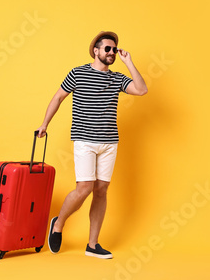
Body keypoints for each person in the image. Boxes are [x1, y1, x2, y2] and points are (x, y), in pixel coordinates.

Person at [36, 31, 148, 259]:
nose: (111, 53)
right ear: (95, 50)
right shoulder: (77, 73)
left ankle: (92, 244)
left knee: (101, 190)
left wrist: (129, 62)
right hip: (85, 140)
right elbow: (58, 98)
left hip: (109, 142)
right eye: (107, 48)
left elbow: (142, 89)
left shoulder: (116, 78)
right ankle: (58, 223)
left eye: (114, 49)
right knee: (85, 187)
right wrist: (44, 124)